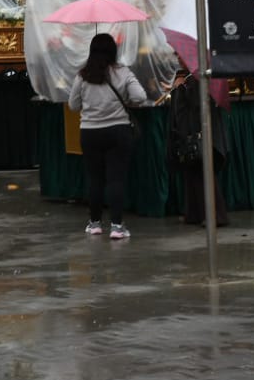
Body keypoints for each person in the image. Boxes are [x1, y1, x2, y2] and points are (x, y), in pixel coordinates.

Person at [68, 32, 149, 240]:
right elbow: (140, 96)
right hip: (118, 131)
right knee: (116, 179)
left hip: (90, 132)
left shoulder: (83, 75)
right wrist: (126, 102)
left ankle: (94, 224)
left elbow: (73, 105)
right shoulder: (123, 73)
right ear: (114, 51)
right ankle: (116, 226)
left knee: (94, 179)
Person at [165, 67, 228, 226]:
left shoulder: (198, 79)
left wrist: (180, 87)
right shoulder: (189, 78)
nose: (177, 58)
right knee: (191, 172)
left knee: (202, 173)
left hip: (198, 132)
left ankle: (215, 216)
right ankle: (193, 213)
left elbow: (195, 104)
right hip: (189, 132)